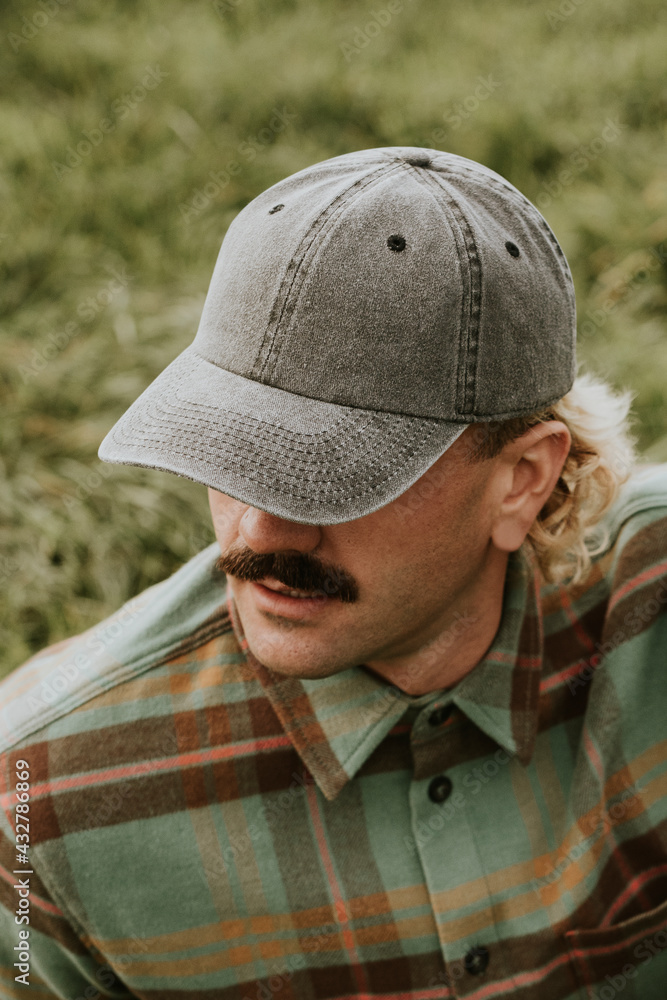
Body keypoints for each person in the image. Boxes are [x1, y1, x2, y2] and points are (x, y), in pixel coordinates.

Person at [1, 147, 665, 1000]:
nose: (259, 529)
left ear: (522, 480)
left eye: (338, 476)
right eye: (232, 449)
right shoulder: (41, 799)